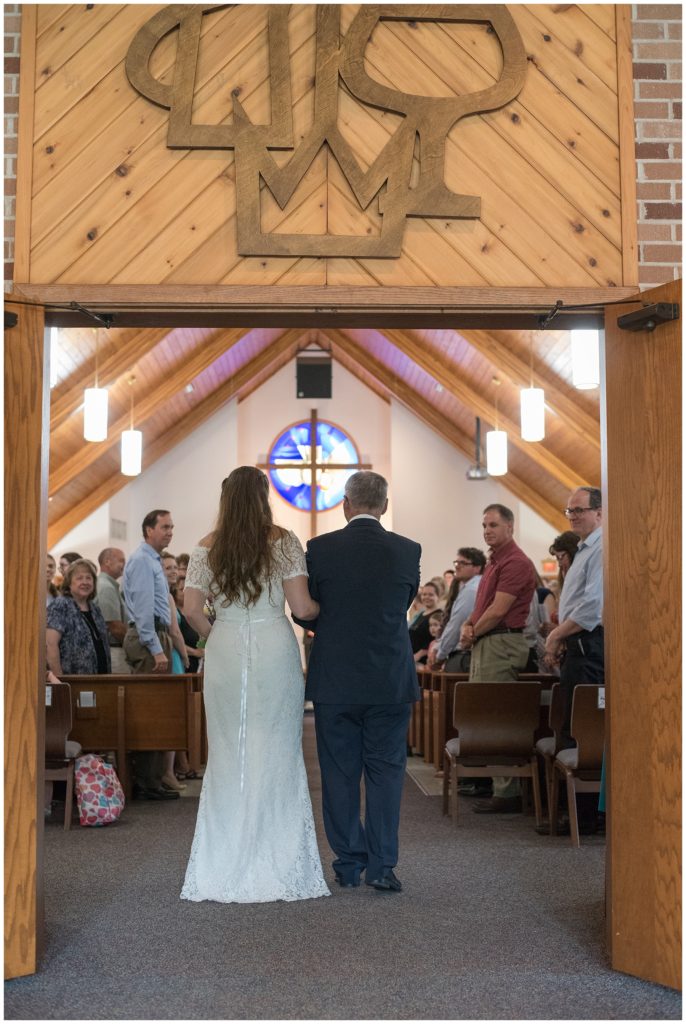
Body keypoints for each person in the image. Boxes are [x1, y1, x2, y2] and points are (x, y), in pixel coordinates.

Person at [181, 467, 329, 904]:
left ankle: (223, 855)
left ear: (226, 499)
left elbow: (190, 610)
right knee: (277, 747)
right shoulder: (283, 541)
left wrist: (217, 632)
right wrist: (332, 605)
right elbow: (301, 605)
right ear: (264, 497)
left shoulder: (207, 546)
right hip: (272, 643)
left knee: (228, 749)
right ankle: (278, 855)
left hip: (225, 644)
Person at [297, 470, 421, 893]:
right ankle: (383, 866)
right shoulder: (407, 550)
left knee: (339, 772)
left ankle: (349, 863)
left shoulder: (320, 548)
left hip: (336, 677)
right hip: (389, 676)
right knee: (386, 771)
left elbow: (305, 611)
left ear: (345, 505)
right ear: (384, 506)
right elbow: (404, 602)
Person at [460, 503, 536, 814]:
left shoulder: (516, 562)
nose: (487, 531)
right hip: (488, 640)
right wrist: (468, 625)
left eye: (493, 525)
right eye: (484, 526)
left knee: (497, 715)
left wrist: (472, 631)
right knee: (485, 714)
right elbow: (482, 606)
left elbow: (500, 609)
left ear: (510, 527)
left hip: (501, 641)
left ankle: (508, 791)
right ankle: (498, 784)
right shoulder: (494, 562)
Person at [122, 510, 179, 802]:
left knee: (158, 711)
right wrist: (156, 649)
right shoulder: (142, 561)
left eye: (171, 527)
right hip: (149, 638)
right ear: (148, 530)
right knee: (149, 712)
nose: (170, 531)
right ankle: (145, 782)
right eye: (164, 527)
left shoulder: (152, 559)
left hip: (157, 636)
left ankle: (154, 779)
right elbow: (143, 611)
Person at [544, 488, 604, 745]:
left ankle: (580, 785)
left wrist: (557, 634)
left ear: (599, 513)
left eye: (580, 510)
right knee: (570, 724)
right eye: (570, 510)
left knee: (582, 729)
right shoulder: (584, 548)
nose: (572, 515)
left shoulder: (601, 547)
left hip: (588, 644)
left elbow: (593, 605)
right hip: (576, 644)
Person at [46, 559, 111, 675]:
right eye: (79, 578)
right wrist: (60, 680)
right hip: (72, 682)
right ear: (69, 583)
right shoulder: (61, 605)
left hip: (100, 679)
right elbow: (50, 644)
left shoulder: (95, 608)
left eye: (88, 578)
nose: (85, 582)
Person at [433, 547, 486, 672]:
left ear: (477, 568)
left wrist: (440, 655)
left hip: (464, 655)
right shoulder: (471, 586)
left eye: (463, 563)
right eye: (457, 563)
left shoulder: (471, 590)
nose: (457, 566)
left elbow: (456, 626)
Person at [95, 547, 130, 674]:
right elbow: (114, 626)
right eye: (121, 561)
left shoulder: (109, 585)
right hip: (115, 652)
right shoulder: (106, 587)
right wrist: (134, 646)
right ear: (107, 562)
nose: (124, 565)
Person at [408, 581, 442, 665]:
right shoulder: (421, 614)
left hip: (424, 661)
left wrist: (420, 654)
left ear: (438, 596)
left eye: (431, 595)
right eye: (424, 594)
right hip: (411, 657)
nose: (427, 597)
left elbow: (438, 640)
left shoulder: (439, 615)